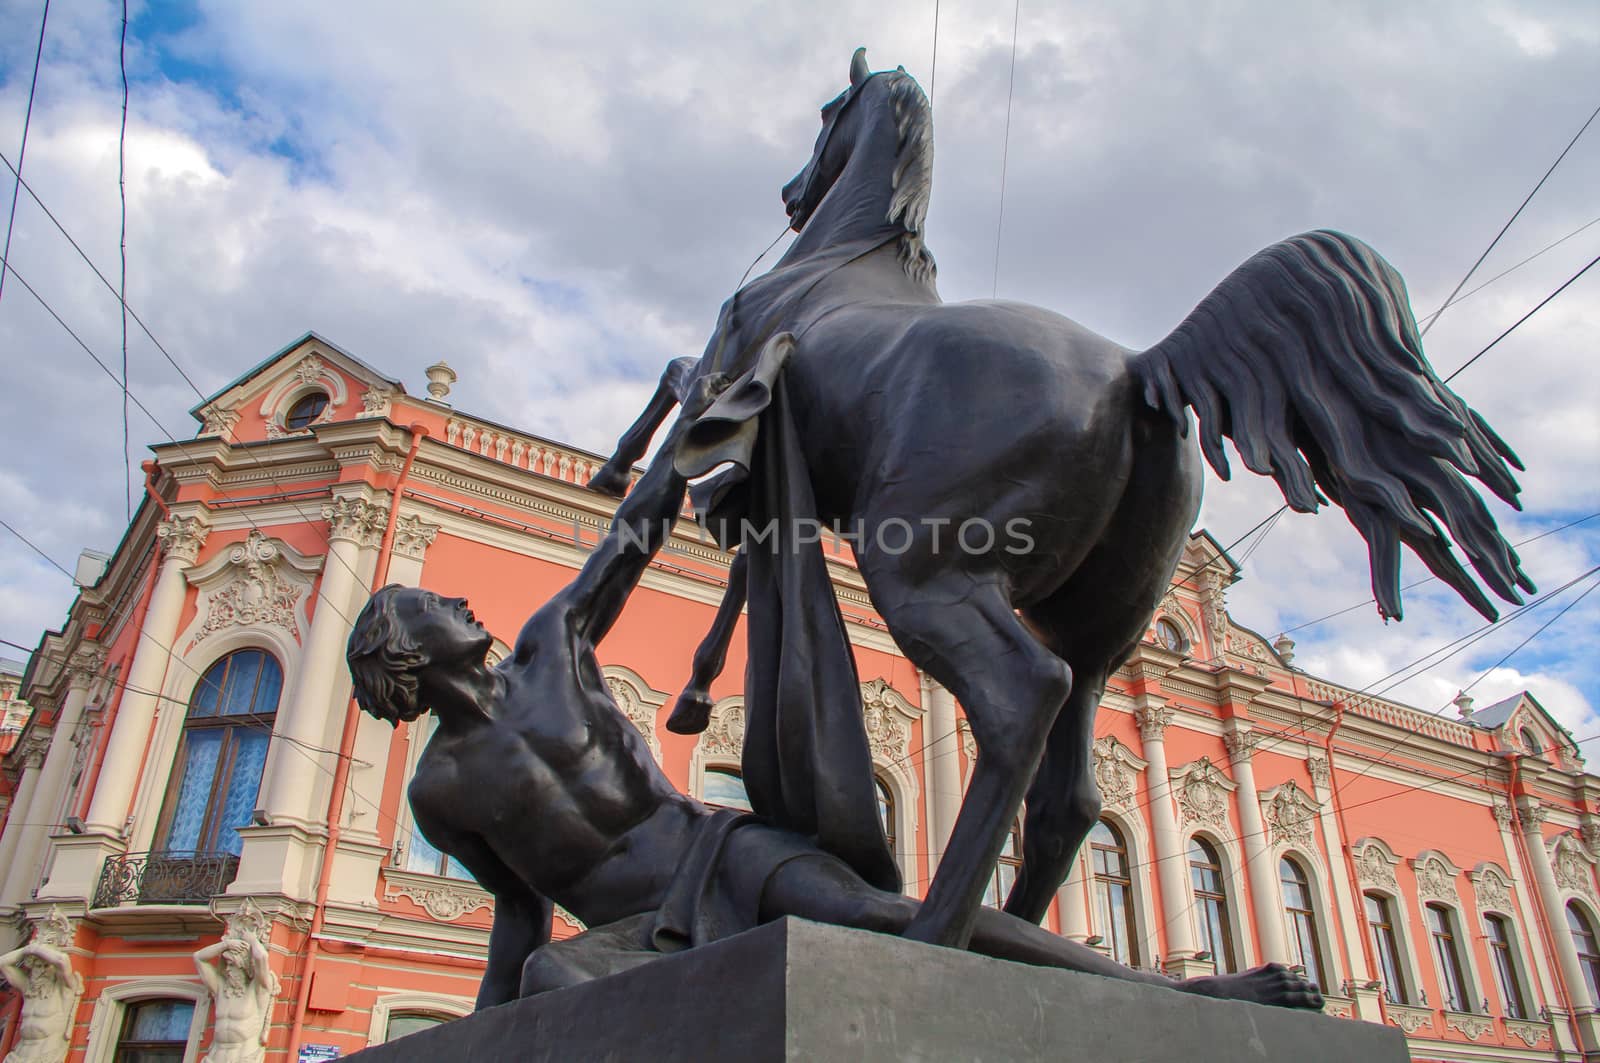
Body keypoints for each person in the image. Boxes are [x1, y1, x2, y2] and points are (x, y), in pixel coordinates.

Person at [346, 379, 1322, 1012]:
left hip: (719, 855)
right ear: (403, 653)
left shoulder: (552, 650)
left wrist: (696, 429)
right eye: (430, 601)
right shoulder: (442, 790)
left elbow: (631, 536)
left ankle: (1195, 995)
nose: (456, 596)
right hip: (629, 932)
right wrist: (487, 1033)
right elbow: (519, 912)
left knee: (891, 918)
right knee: (550, 976)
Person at [193, 928, 278, 1063]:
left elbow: (262, 958)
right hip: (216, 1056)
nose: (227, 970)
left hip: (244, 1056)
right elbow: (198, 958)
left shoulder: (256, 989)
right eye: (226, 965)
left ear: (243, 966)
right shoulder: (221, 989)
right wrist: (226, 945)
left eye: (231, 965)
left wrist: (252, 940)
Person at [0, 933, 81, 1063]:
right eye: (38, 966)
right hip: (18, 1056)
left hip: (46, 1056)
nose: (42, 970)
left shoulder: (63, 989)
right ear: (32, 968)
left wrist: (36, 949)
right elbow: (2, 963)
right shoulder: (28, 989)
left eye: (47, 966)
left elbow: (62, 960)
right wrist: (27, 949)